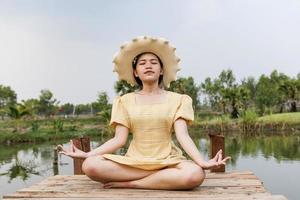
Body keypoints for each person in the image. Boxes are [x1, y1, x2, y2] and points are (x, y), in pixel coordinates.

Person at [57, 36, 230, 190]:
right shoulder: (124, 101)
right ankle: (158, 181)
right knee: (90, 165)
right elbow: (119, 140)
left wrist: (201, 162)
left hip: (167, 162)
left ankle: (133, 184)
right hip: (134, 162)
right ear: (135, 72)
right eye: (142, 63)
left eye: (154, 62)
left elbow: (183, 135)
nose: (148, 65)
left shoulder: (180, 99)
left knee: (195, 174)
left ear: (161, 70)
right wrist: (88, 154)